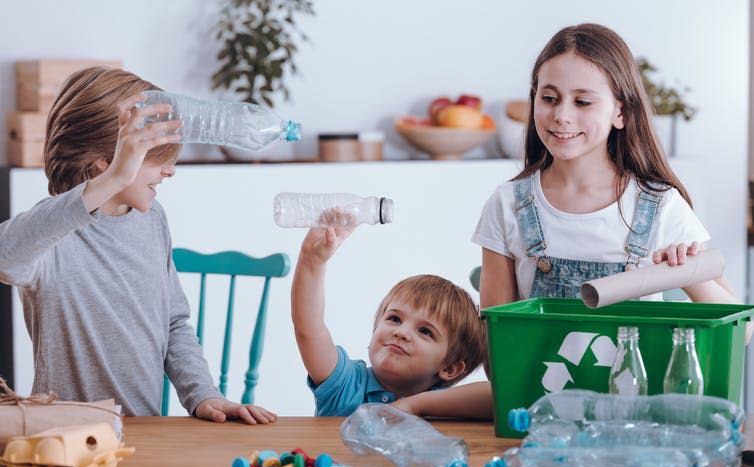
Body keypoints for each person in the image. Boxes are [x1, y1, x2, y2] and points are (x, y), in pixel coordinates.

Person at [394, 23, 747, 419]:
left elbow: (743, 332)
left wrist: (686, 273)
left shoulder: (660, 207)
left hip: (634, 421)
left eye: (583, 102)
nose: (562, 116)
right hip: (538, 418)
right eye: (549, 98)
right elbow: (498, 358)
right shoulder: (508, 204)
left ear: (620, 112)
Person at [0, 67, 276, 424]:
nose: (170, 171)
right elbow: (6, 254)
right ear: (106, 164)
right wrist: (115, 177)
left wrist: (203, 393)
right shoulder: (53, 233)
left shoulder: (152, 219)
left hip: (143, 433)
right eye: (155, 158)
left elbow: (173, 323)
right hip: (63, 440)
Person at [291, 224, 487, 417]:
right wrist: (312, 261)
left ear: (450, 368)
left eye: (425, 331)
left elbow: (496, 398)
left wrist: (415, 405)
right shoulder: (345, 384)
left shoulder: (443, 407)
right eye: (394, 318)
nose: (401, 332)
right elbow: (310, 330)